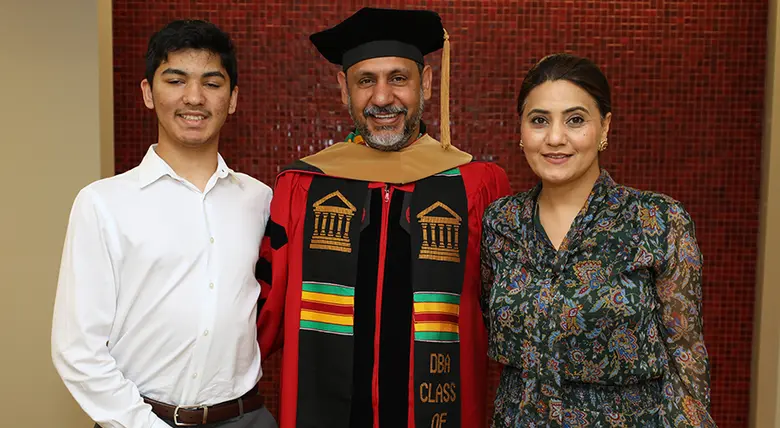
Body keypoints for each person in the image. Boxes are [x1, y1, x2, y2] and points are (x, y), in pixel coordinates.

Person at [255, 7, 511, 428]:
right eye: (365, 81)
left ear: (426, 82)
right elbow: (264, 310)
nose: (382, 98)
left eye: (398, 78)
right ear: (343, 88)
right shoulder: (301, 187)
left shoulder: (476, 185)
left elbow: (505, 315)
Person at [51, 19, 276, 428]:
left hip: (247, 417)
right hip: (139, 420)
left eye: (212, 82)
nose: (194, 98)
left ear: (234, 97)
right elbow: (78, 350)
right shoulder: (103, 203)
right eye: (175, 80)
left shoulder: (259, 201)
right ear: (148, 93)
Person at [481, 53, 716, 427]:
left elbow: (685, 352)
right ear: (521, 132)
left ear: (605, 128)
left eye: (576, 120)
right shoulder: (500, 223)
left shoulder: (655, 219)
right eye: (539, 120)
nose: (555, 138)